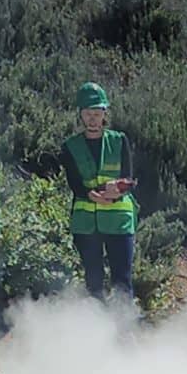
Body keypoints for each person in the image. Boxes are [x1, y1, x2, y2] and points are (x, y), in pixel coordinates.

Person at [59, 82, 139, 301]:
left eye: (97, 113)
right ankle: (97, 330)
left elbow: (130, 179)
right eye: (88, 113)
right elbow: (74, 183)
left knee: (122, 281)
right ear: (80, 115)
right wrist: (90, 195)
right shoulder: (70, 146)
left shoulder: (119, 140)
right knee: (93, 280)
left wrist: (119, 190)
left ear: (105, 113)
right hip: (86, 224)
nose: (93, 119)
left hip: (119, 221)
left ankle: (124, 329)